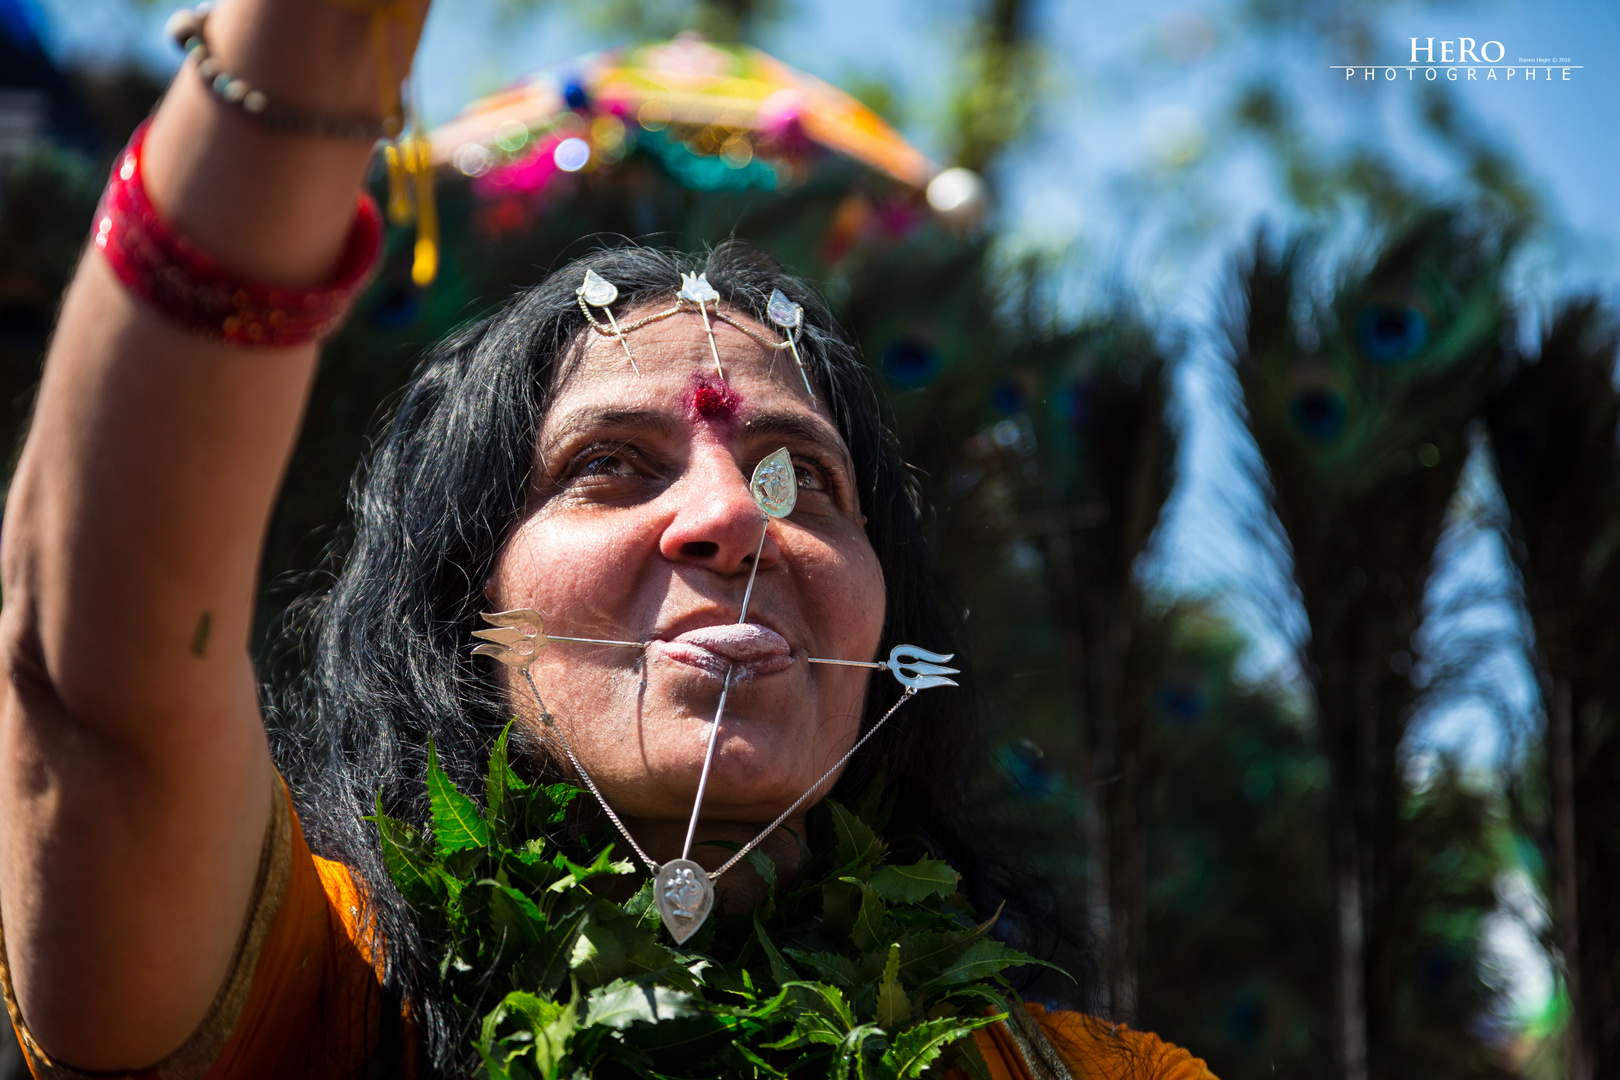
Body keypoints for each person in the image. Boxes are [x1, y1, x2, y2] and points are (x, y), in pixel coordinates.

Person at [0, 1, 1217, 1078]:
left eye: (802, 477)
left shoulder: (1072, 1070)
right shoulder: (324, 998)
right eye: (607, 468)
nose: (736, 517)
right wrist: (301, 62)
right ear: (461, 609)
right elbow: (99, 677)